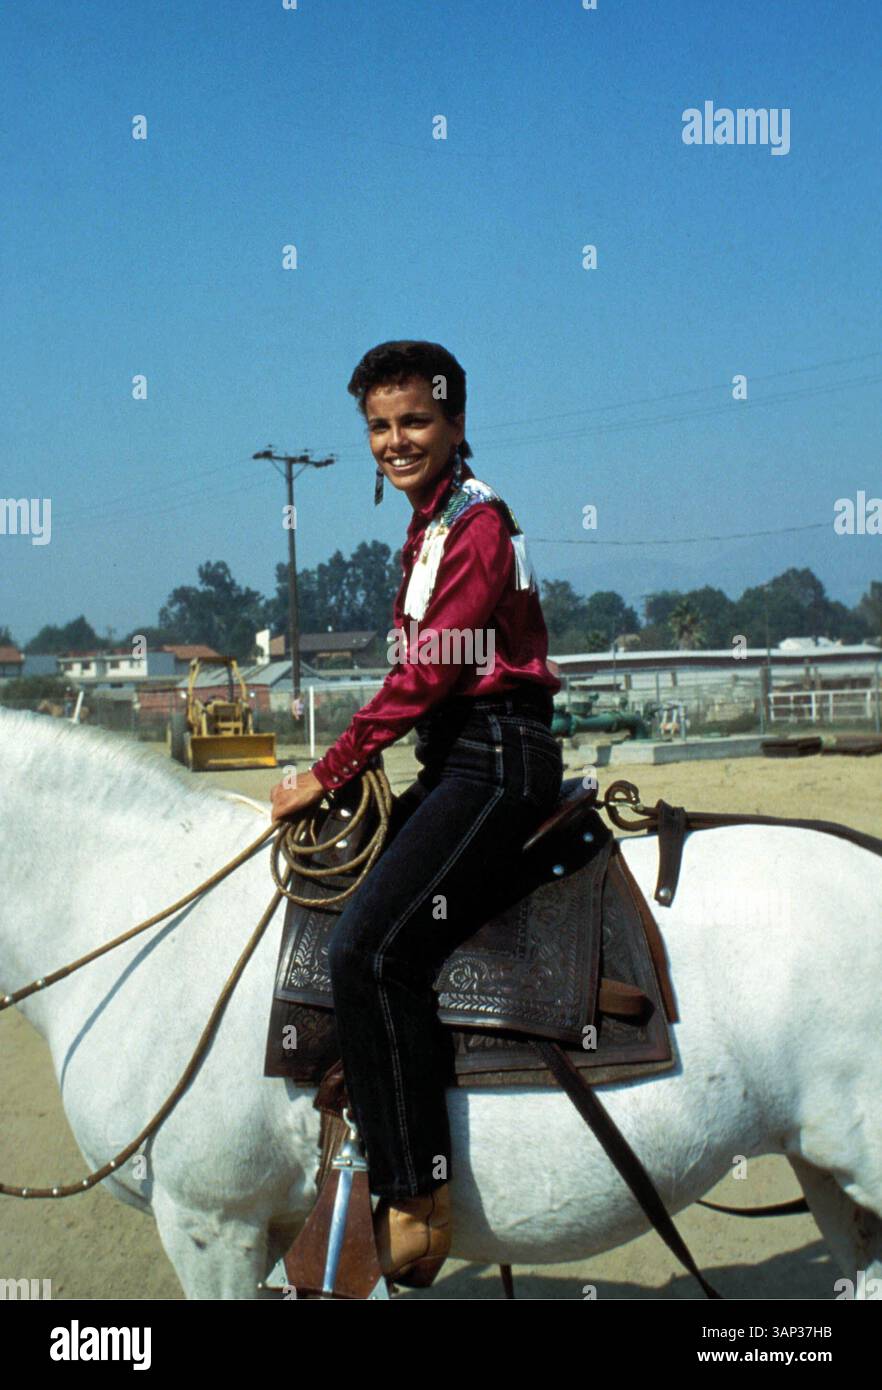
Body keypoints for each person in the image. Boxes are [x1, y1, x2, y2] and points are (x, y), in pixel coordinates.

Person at [270, 340, 562, 1287]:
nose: (395, 441)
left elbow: (431, 672)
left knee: (369, 947)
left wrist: (331, 768)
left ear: (457, 423)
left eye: (415, 422)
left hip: (495, 761)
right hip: (455, 759)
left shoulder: (478, 526)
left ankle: (415, 1193)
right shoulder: (427, 526)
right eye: (379, 427)